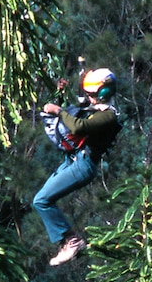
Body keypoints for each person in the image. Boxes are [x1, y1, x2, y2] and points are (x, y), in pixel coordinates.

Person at [34, 68, 121, 266]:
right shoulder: (95, 109)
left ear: (103, 93)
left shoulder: (108, 116)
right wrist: (61, 94)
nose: (88, 98)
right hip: (72, 160)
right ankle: (71, 240)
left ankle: (72, 241)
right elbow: (74, 109)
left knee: (41, 200)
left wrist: (59, 111)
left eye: (91, 94)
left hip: (84, 164)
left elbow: (78, 127)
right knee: (41, 199)